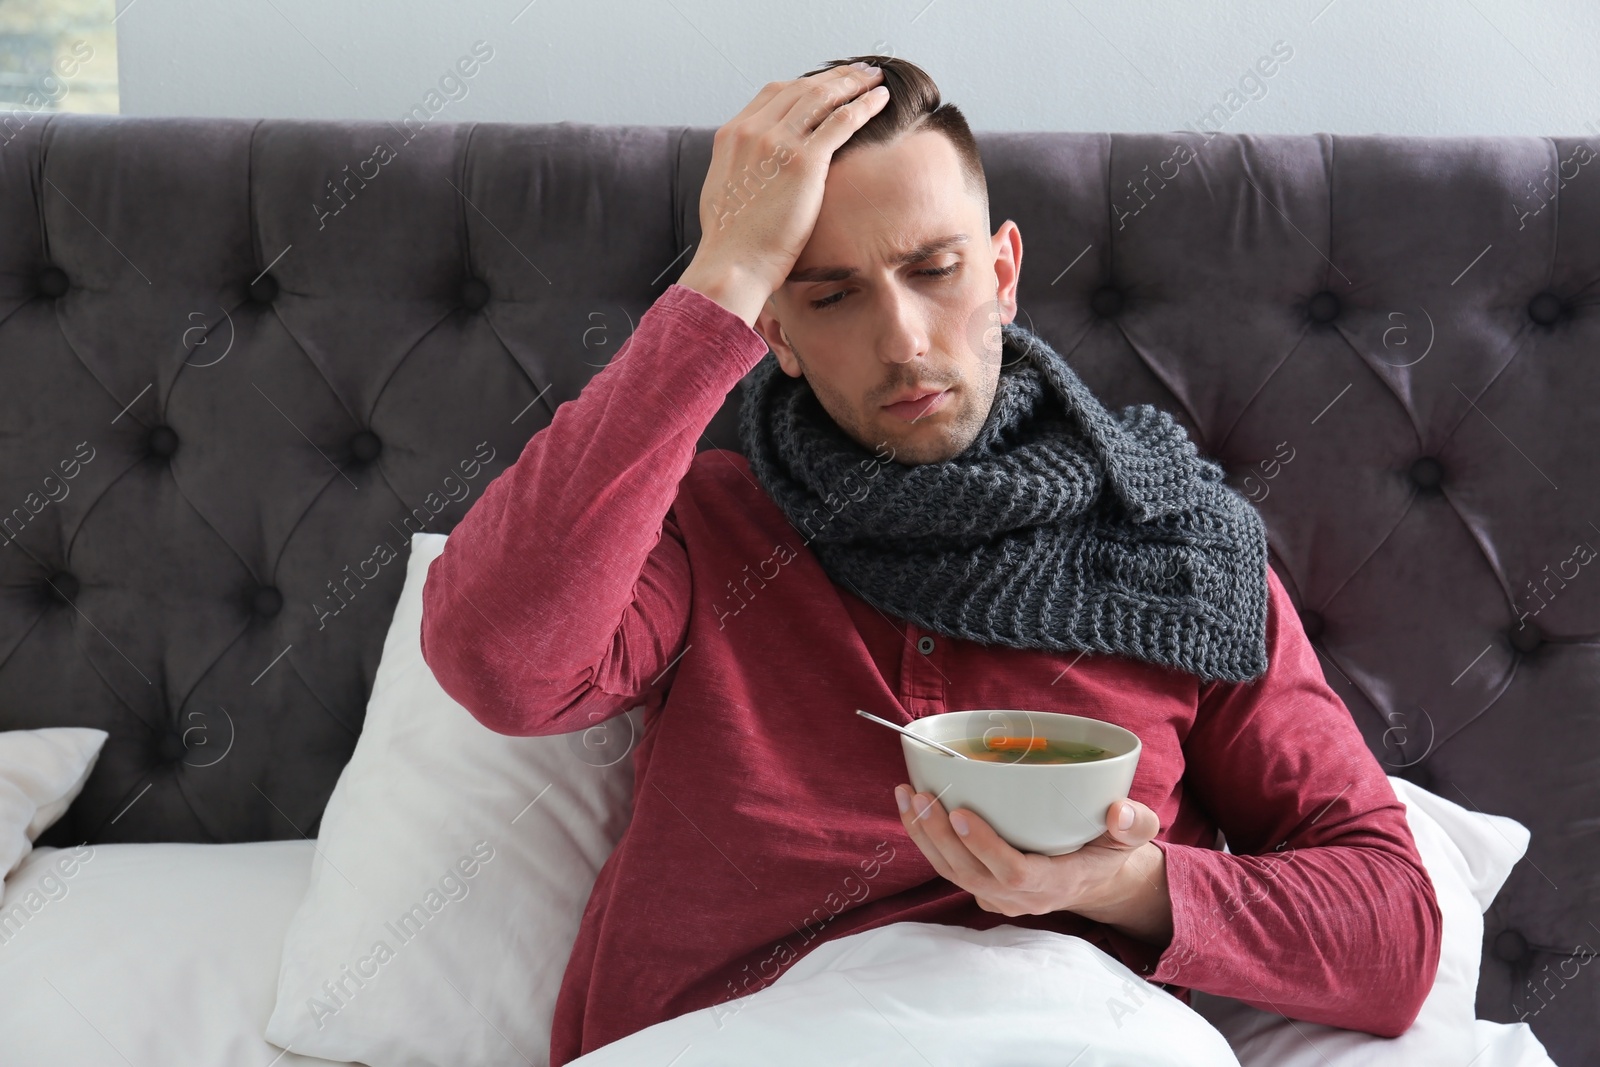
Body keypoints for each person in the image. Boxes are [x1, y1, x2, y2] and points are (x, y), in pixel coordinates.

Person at [419, 55, 1442, 1066]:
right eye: (830, 297)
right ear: (771, 329)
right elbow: (501, 662)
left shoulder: (1173, 548)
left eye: (932, 269)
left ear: (1001, 271)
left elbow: (1392, 934)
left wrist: (1114, 882)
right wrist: (720, 278)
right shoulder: (705, 529)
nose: (903, 340)